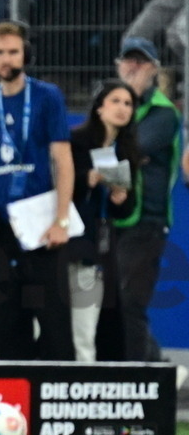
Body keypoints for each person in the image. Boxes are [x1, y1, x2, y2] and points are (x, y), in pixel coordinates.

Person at [0, 21, 75, 361]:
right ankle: (13, 402)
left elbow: (62, 160)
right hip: (1, 224)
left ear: (25, 55)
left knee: (54, 318)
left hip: (42, 224)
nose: (6, 59)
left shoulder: (47, 96)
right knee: (7, 318)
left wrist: (62, 219)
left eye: (13, 51)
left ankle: (58, 403)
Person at [112, 36, 183, 362]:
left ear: (154, 69)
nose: (134, 67)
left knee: (131, 302)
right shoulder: (112, 104)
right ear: (118, 65)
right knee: (115, 302)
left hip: (147, 223)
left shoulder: (164, 113)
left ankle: (142, 376)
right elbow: (102, 151)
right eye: (129, 60)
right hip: (113, 218)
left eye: (141, 62)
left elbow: (129, 150)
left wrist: (117, 154)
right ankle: (156, 365)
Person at [67, 79, 138, 362]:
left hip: (98, 248)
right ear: (99, 107)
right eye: (116, 101)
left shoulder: (126, 152)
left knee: (87, 326)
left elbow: (125, 210)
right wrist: (88, 179)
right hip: (67, 242)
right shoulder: (75, 143)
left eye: (128, 104)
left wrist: (121, 199)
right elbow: (62, 188)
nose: (122, 108)